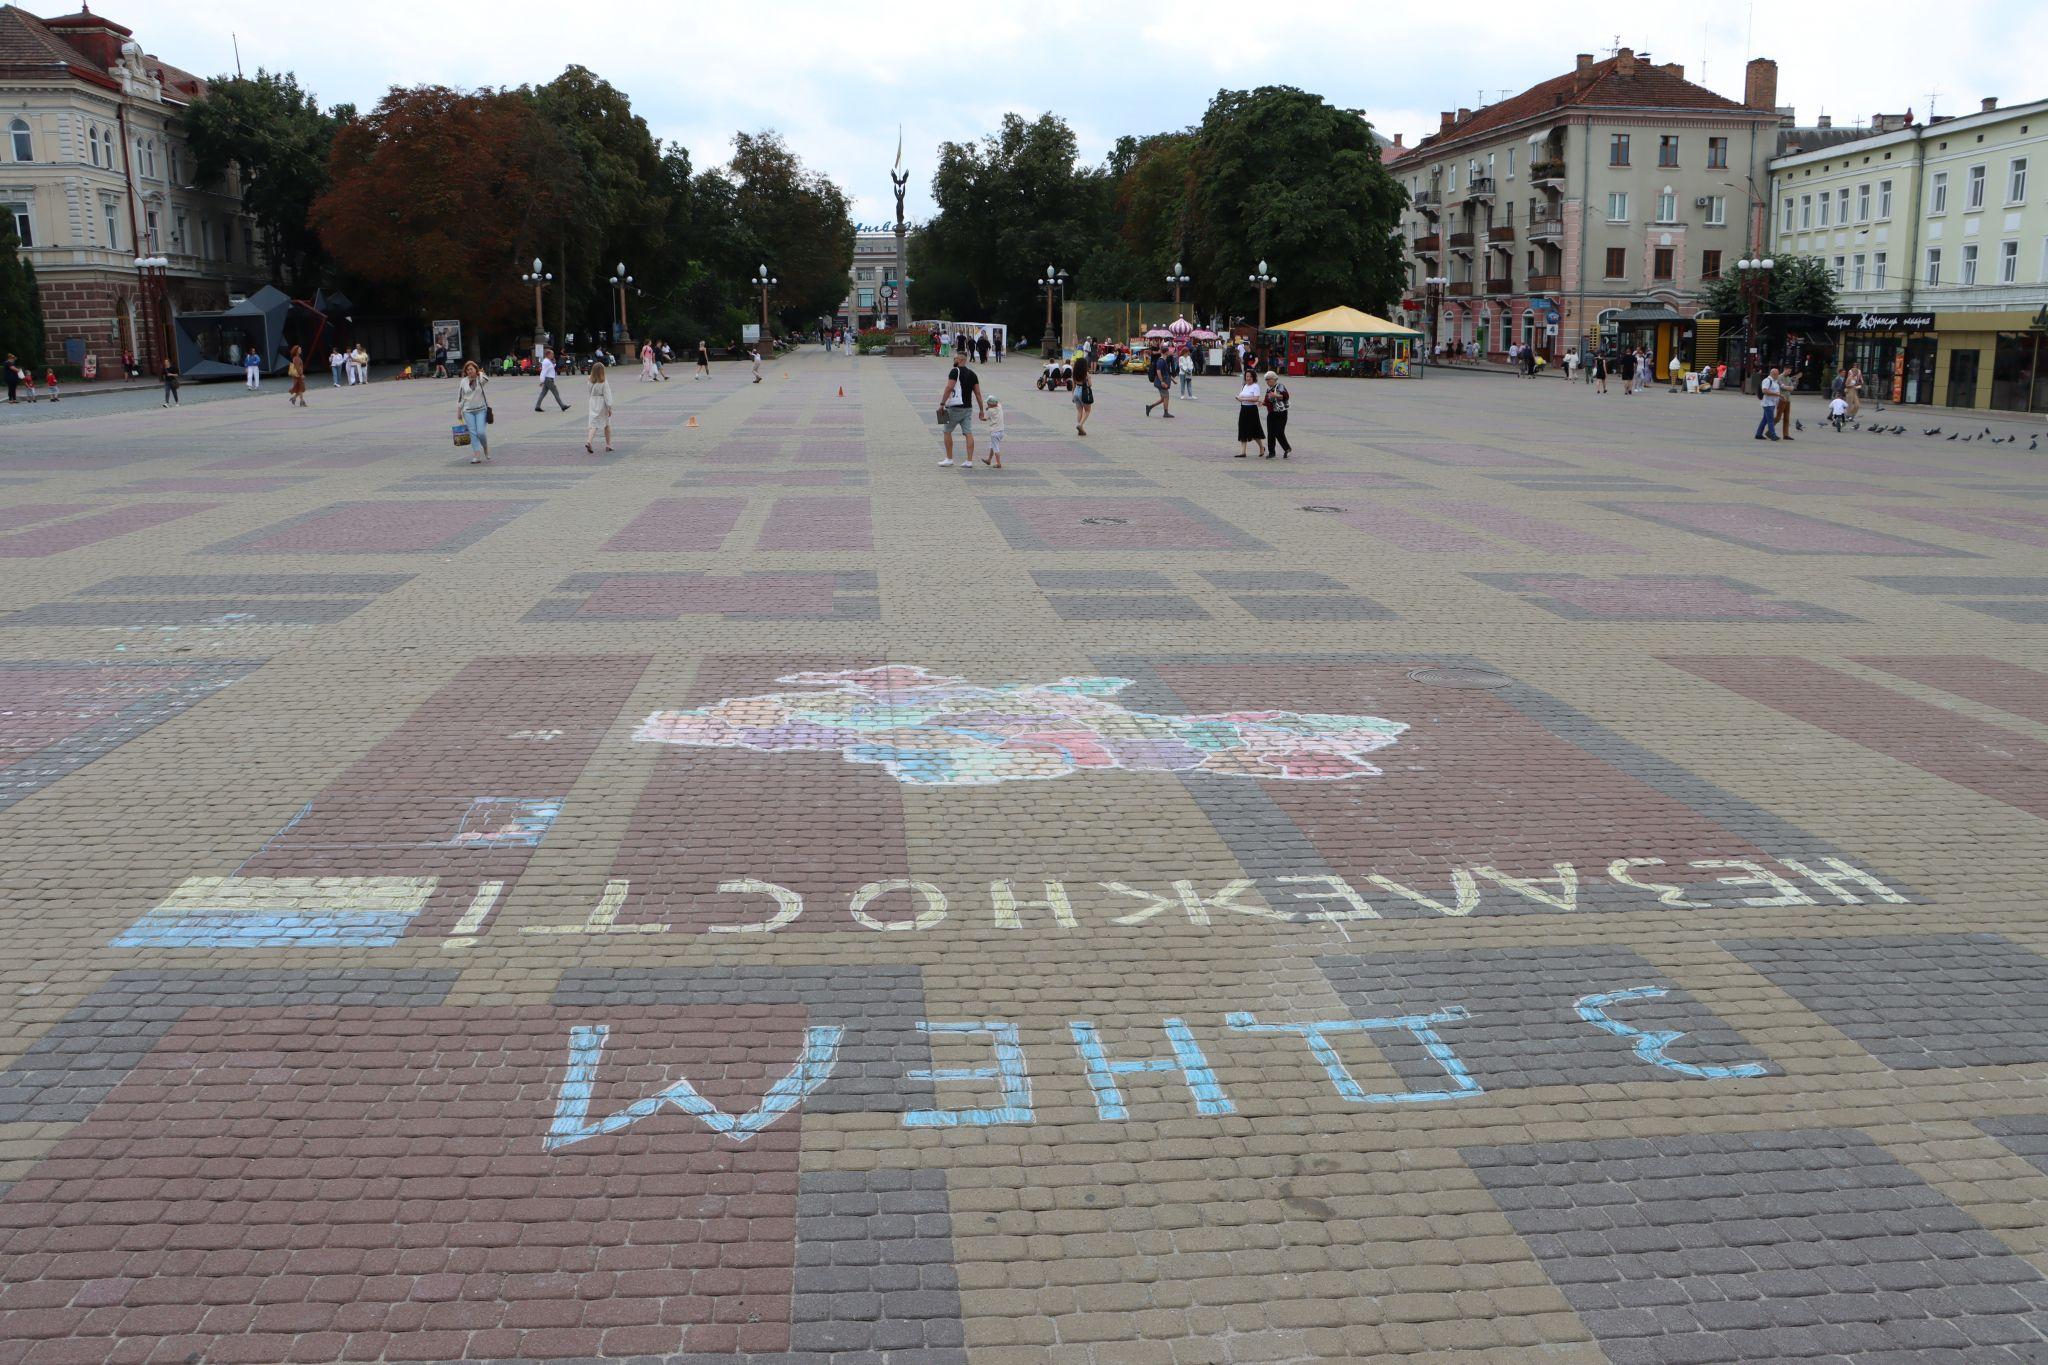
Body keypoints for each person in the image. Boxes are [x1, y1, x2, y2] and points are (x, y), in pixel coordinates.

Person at [936, 354, 985, 466]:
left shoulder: (954, 371)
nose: (954, 360)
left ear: (960, 360)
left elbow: (949, 388)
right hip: (968, 408)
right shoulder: (973, 374)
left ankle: (949, 459)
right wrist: (981, 410)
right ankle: (969, 461)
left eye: (955, 358)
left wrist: (942, 404)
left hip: (955, 407)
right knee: (968, 433)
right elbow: (977, 393)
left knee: (947, 431)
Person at [456, 360, 491, 462]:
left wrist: (480, 373)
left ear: (475, 369)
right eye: (467, 370)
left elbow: (487, 379)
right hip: (467, 411)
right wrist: (459, 410)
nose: (469, 371)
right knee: (473, 433)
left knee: (481, 432)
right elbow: (461, 397)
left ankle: (485, 448)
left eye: (471, 369)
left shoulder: (480, 379)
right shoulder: (464, 381)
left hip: (481, 410)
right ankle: (477, 455)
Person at [584, 361, 614, 454]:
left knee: (593, 424)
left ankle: (589, 441)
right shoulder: (604, 381)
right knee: (607, 424)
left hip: (592, 401)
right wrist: (609, 407)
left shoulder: (589, 380)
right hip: (602, 403)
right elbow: (607, 395)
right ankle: (608, 445)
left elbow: (589, 391)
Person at [1234, 373, 1265, 458]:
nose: (1248, 378)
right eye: (1247, 376)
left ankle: (1261, 447)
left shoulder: (1255, 386)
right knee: (1242, 428)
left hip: (1252, 410)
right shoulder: (1244, 386)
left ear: (1254, 378)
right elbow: (1240, 396)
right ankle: (1243, 452)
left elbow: (1256, 399)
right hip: (1243, 409)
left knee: (1254, 430)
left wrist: (1243, 399)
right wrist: (1238, 398)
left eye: (1250, 376)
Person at [1262, 370, 1292, 458]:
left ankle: (1287, 448)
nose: (1267, 381)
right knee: (1270, 433)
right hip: (1271, 414)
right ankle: (1271, 452)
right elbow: (1267, 401)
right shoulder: (1268, 389)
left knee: (1279, 432)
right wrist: (1262, 403)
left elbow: (1286, 396)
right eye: (1266, 380)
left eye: (1268, 379)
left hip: (1281, 413)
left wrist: (1276, 395)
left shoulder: (1280, 386)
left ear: (1274, 379)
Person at [535, 347, 570, 413]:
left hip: (548, 379)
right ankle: (562, 406)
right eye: (552, 354)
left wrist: (553, 363)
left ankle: (537, 406)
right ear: (548, 354)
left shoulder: (548, 361)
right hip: (549, 380)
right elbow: (543, 372)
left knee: (543, 393)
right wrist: (542, 380)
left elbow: (550, 368)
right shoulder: (546, 362)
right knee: (555, 393)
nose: (553, 355)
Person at [1145, 347, 1175, 418]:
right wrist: (1162, 381)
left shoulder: (1164, 360)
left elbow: (1166, 372)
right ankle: (1166, 413)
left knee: (1163, 399)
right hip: (1161, 382)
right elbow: (1158, 371)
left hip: (1162, 382)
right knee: (1166, 396)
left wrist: (1172, 380)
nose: (1170, 352)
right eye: (1168, 351)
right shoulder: (1161, 361)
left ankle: (1149, 407)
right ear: (1166, 352)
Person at [1755, 367, 1782, 440]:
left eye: (1778, 374)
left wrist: (1779, 396)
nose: (1778, 375)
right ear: (1772, 374)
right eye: (1777, 374)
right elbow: (1764, 391)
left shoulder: (1775, 381)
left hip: (1772, 403)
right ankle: (1772, 435)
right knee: (1771, 420)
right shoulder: (1767, 380)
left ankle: (1758, 434)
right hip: (1767, 403)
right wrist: (1776, 394)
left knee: (1765, 419)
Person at [1072, 352, 1094, 436]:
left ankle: (1080, 429)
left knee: (1079, 411)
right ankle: (1080, 425)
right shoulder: (1086, 374)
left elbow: (1073, 386)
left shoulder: (1074, 373)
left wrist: (1072, 396)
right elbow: (1090, 384)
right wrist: (1089, 377)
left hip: (1076, 392)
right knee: (1087, 410)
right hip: (1083, 392)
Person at [982, 394, 1005, 468]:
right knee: (992, 445)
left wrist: (981, 417)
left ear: (990, 404)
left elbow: (985, 419)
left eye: (988, 403)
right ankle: (989, 460)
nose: (987, 404)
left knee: (996, 448)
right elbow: (996, 404)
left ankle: (998, 463)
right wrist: (989, 407)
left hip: (994, 432)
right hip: (1001, 431)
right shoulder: (999, 407)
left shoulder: (990, 411)